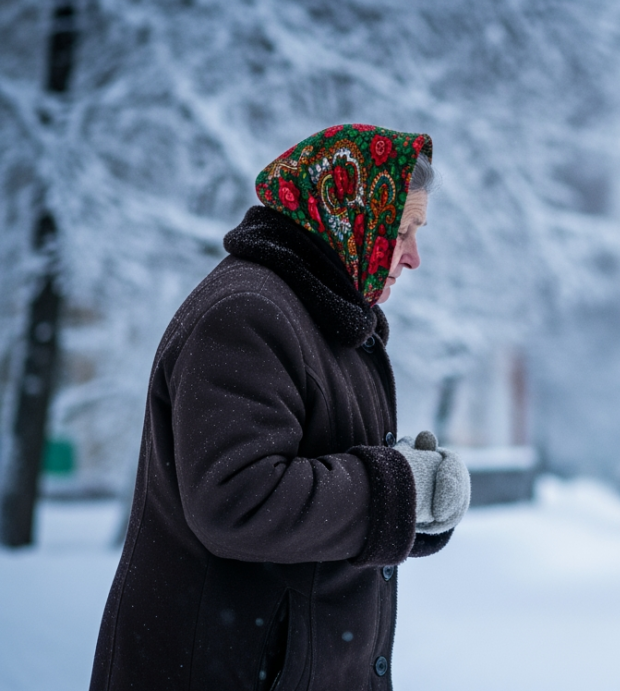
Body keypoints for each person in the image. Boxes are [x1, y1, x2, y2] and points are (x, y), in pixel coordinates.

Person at [89, 124, 470, 691]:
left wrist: (413, 504)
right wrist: (395, 488)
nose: (414, 257)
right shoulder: (248, 313)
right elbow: (238, 500)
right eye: (404, 230)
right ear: (348, 212)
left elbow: (323, 482)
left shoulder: (326, 323)